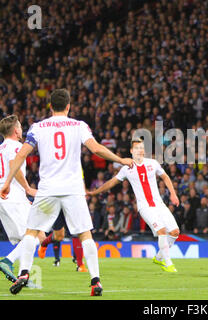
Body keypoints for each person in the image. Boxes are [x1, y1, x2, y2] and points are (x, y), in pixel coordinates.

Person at [0, 89, 134, 296]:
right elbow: (96, 149)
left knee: (32, 231)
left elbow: (21, 155)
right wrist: (121, 160)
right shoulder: (79, 126)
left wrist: (8, 181)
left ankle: (24, 273)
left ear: (50, 107)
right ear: (69, 106)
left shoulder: (38, 127)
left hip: (47, 190)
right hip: (72, 189)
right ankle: (95, 281)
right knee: (85, 234)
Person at [87, 138, 181, 272]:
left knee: (175, 232)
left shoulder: (152, 163)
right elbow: (111, 183)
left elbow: (165, 177)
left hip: (159, 204)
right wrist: (94, 192)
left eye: (141, 147)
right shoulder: (126, 169)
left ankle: (159, 257)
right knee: (161, 230)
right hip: (145, 207)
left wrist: (173, 194)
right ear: (131, 151)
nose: (139, 150)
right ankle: (168, 263)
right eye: (136, 148)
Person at [0, 115, 44, 283]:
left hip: (4, 197)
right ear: (16, 130)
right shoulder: (16, 147)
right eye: (19, 127)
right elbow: (15, 166)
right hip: (13, 196)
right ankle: (7, 261)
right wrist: (26, 188)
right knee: (37, 235)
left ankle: (21, 277)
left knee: (25, 238)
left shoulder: (1, 148)